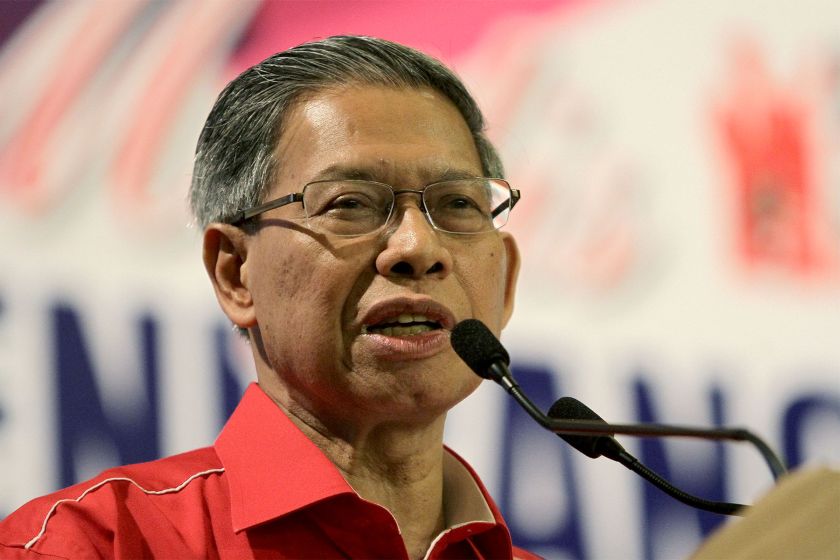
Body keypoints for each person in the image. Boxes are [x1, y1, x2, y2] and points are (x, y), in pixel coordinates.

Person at [0, 35, 532, 559]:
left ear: (505, 282)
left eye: (459, 203)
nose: (418, 247)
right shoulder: (97, 543)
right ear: (235, 273)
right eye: (349, 203)